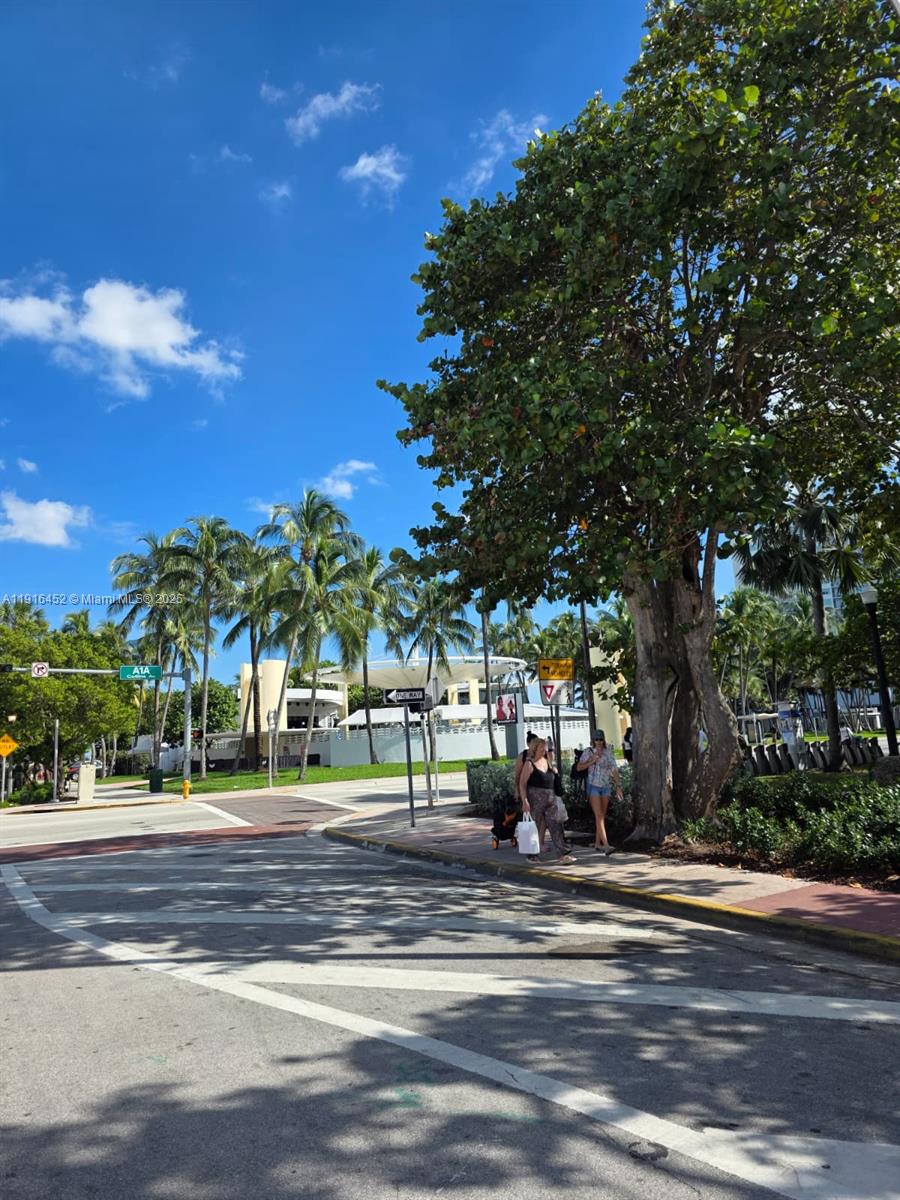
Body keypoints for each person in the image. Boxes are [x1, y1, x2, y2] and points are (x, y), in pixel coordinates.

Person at [518, 736, 575, 865]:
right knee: (535, 826)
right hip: (535, 799)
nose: (544, 749)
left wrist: (554, 772)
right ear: (535, 748)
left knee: (556, 825)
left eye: (545, 747)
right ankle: (532, 855)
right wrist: (524, 800)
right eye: (542, 747)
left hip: (551, 797)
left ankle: (562, 854)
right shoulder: (529, 763)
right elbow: (522, 784)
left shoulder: (547, 760)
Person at [576, 729, 623, 855]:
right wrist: (592, 760)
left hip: (606, 786)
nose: (599, 742)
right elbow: (579, 767)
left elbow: (614, 770)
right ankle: (606, 845)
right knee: (599, 816)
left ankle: (598, 843)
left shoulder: (608, 753)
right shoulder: (588, 751)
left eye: (601, 739)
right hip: (593, 786)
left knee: (601, 815)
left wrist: (618, 786)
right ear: (593, 740)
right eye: (596, 739)